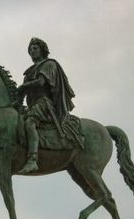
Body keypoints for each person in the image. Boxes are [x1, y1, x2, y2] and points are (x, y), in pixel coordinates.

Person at [17, 37, 83, 174]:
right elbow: (22, 95)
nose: (32, 51)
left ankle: (33, 160)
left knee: (30, 123)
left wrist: (23, 86)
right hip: (32, 104)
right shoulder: (29, 72)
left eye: (35, 48)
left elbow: (41, 82)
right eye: (30, 50)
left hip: (45, 103)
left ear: (42, 50)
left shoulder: (49, 64)